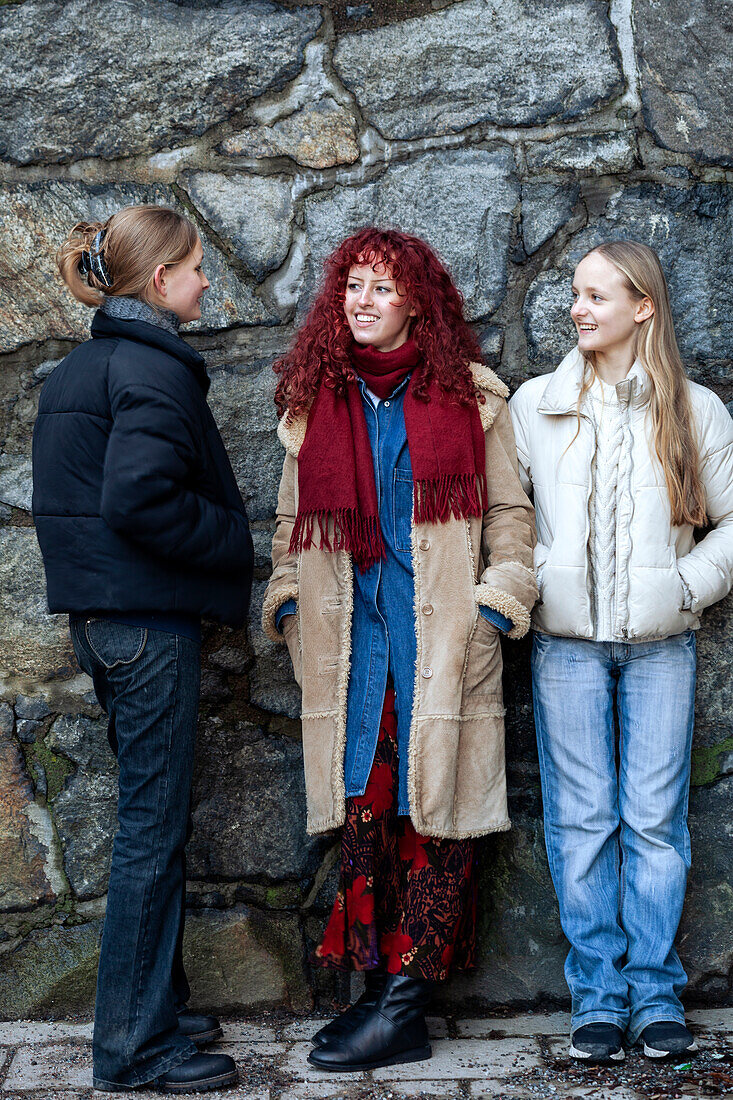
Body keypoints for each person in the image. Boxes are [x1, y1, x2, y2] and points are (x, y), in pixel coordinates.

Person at [262, 227, 537, 1072]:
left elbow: (510, 522)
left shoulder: (473, 399)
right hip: (352, 650)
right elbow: (287, 528)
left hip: (443, 643)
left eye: (382, 287)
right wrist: (287, 605)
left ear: (417, 300)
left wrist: (494, 611)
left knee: (442, 818)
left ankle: (404, 1008)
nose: (363, 301)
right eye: (352, 285)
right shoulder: (313, 402)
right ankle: (378, 998)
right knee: (367, 814)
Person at [32, 205, 254, 1093]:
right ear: (159, 280)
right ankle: (133, 1048)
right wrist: (235, 541)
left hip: (105, 627)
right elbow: (140, 503)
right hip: (144, 629)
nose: (206, 281)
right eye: (196, 267)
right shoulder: (152, 371)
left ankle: (148, 1008)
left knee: (147, 831)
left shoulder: (85, 366)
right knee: (149, 839)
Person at [510, 240, 733, 1064]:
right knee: (580, 822)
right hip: (565, 648)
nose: (577, 308)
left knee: (652, 824)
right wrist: (539, 576)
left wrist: (681, 588)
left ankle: (654, 995)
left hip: (660, 648)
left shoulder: (693, 409)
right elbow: (509, 517)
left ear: (642, 307)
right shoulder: (534, 404)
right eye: (575, 293)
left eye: (596, 296)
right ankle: (597, 998)